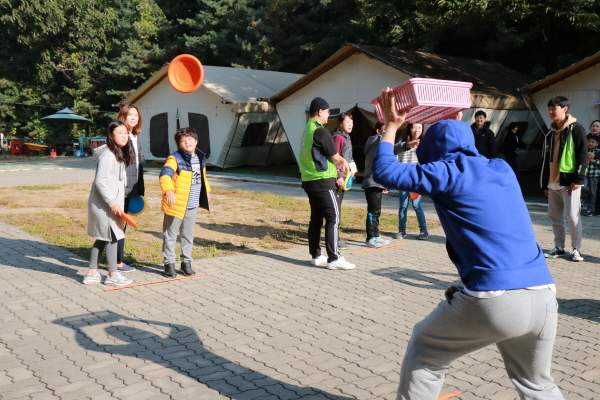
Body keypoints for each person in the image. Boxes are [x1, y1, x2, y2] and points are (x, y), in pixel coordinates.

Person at [373, 88, 564, 400]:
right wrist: (453, 122)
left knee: (426, 352)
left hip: (496, 297)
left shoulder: (447, 172)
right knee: (537, 384)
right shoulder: (502, 168)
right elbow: (458, 144)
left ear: (433, 151)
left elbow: (383, 171)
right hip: (543, 295)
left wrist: (392, 127)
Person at [300, 97, 354, 270]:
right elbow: (335, 156)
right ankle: (334, 258)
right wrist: (344, 163)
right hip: (323, 180)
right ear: (319, 112)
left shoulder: (307, 130)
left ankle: (316, 255)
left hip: (309, 180)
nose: (329, 115)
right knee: (334, 217)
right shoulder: (321, 131)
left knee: (316, 219)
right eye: (328, 111)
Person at [83, 121, 134, 286]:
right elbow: (101, 181)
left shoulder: (117, 153)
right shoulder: (108, 155)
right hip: (104, 205)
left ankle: (92, 273)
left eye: (125, 133)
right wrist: (112, 202)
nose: (124, 136)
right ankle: (113, 274)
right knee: (112, 237)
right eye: (119, 133)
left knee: (103, 238)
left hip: (110, 204)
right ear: (111, 135)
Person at [159, 127, 211, 278]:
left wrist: (206, 190)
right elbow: (165, 175)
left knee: (188, 235)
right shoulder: (174, 159)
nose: (187, 142)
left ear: (196, 141)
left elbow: (202, 177)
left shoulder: (200, 157)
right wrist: (168, 191)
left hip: (193, 203)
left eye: (190, 139)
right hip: (176, 203)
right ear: (179, 144)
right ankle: (169, 263)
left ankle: (186, 263)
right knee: (170, 234)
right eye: (183, 141)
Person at [542, 96, 588, 262]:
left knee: (572, 215)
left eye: (554, 109)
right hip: (552, 182)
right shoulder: (549, 132)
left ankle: (576, 249)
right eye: (550, 109)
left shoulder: (576, 129)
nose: (551, 112)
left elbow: (583, 156)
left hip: (570, 183)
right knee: (555, 217)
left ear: (565, 109)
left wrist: (578, 178)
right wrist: (544, 183)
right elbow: (545, 160)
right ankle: (559, 247)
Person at [115, 103, 145, 273]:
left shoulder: (134, 135)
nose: (134, 117)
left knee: (122, 225)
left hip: (132, 187)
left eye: (136, 115)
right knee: (118, 224)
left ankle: (118, 258)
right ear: (123, 116)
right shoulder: (120, 135)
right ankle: (117, 262)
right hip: (122, 187)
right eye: (130, 115)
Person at [394, 123, 428, 240]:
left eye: (419, 127)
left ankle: (423, 230)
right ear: (409, 129)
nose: (417, 130)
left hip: (416, 180)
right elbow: (396, 158)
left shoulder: (424, 144)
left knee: (417, 205)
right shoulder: (402, 143)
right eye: (414, 127)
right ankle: (401, 230)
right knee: (403, 206)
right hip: (404, 179)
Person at [362, 121, 393, 248]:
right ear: (378, 131)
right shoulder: (376, 140)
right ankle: (370, 237)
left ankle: (376, 234)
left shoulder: (380, 141)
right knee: (372, 211)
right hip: (371, 181)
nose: (387, 133)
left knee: (377, 211)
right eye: (385, 130)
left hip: (378, 182)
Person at [331, 112, 356, 250]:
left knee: (338, 207)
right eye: (347, 122)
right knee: (335, 209)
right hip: (336, 179)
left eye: (352, 123)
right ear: (340, 123)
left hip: (345, 177)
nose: (350, 125)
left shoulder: (347, 138)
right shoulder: (338, 138)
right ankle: (335, 238)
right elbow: (335, 158)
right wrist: (339, 176)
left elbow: (348, 158)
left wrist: (353, 170)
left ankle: (335, 236)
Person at [583, 136, 600, 216]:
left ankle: (590, 209)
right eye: (588, 141)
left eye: (592, 142)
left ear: (597, 144)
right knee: (582, 188)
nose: (590, 143)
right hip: (584, 174)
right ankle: (580, 202)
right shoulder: (583, 151)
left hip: (594, 175)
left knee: (593, 193)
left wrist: (594, 161)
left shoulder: (598, 152)